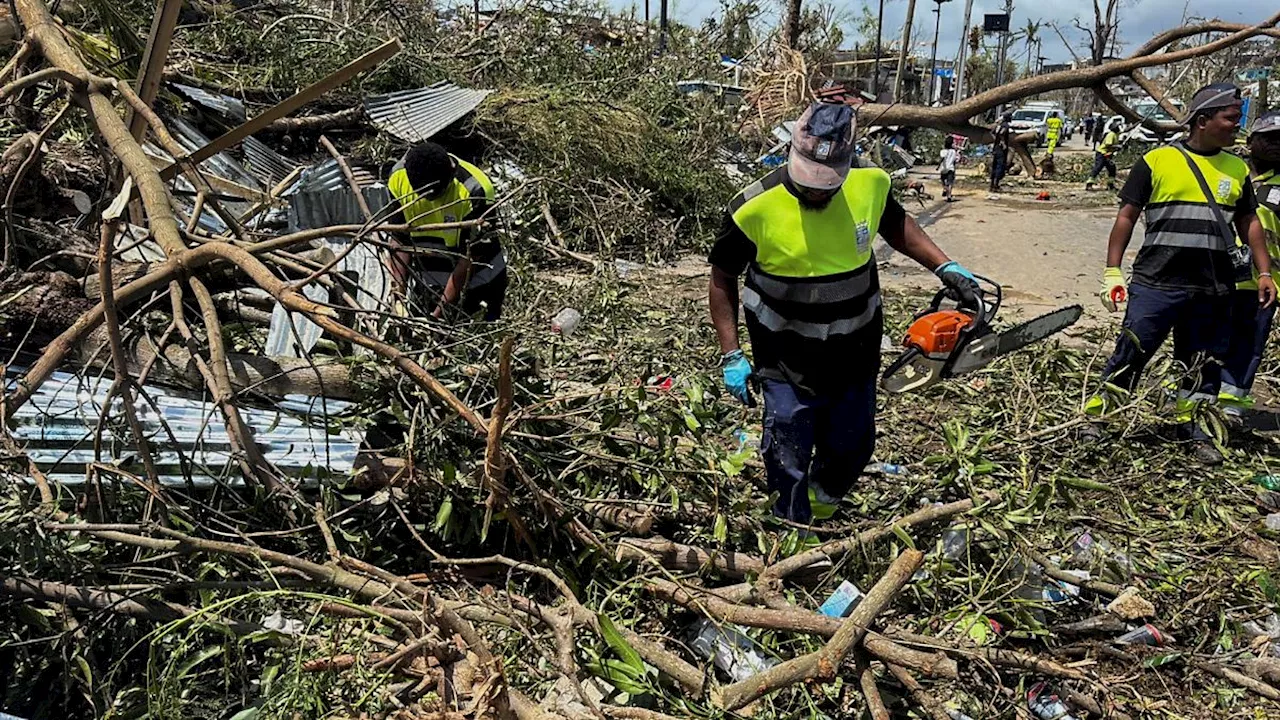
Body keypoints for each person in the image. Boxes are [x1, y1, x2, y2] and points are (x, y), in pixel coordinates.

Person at [708, 102, 982, 525]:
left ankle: (821, 501)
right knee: (787, 451)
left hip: (855, 352)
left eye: (827, 183)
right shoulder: (753, 208)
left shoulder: (870, 185)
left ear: (849, 161)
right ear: (791, 154)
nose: (817, 190)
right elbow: (721, 278)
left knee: (854, 445)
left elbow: (897, 225)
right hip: (785, 359)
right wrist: (731, 354)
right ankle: (792, 529)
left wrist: (944, 266)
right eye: (809, 181)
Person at [1086, 83, 1277, 464]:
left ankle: (1192, 429)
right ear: (1203, 120)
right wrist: (1112, 271)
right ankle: (1098, 419)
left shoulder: (1236, 169)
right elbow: (1127, 217)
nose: (1235, 127)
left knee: (1199, 363)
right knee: (1131, 352)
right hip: (1157, 282)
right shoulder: (1156, 161)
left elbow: (1248, 221)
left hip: (1211, 288)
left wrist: (1264, 272)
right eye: (1230, 119)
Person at [387, 142, 507, 320]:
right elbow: (399, 239)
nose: (430, 200)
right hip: (429, 281)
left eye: (436, 194)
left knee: (474, 337)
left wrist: (438, 314)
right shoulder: (398, 179)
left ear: (451, 173)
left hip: (478, 282)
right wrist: (399, 294)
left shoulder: (475, 190)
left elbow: (470, 259)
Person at [1220, 111, 1280, 414]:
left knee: (1246, 347)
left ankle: (1229, 409)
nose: (1276, 145)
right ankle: (1194, 401)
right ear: (1251, 140)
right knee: (1206, 340)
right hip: (1217, 277)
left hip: (1262, 285)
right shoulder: (1230, 174)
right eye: (1269, 138)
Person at [1085, 120, 1122, 191]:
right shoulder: (1111, 134)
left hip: (1108, 154)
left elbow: (1125, 130)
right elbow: (1108, 144)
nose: (1119, 128)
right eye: (1118, 127)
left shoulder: (1117, 134)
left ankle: (1110, 185)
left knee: (1112, 169)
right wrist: (1117, 146)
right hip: (1102, 153)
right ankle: (1089, 184)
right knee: (1098, 167)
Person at [990, 113, 1012, 192]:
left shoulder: (998, 125)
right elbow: (1002, 133)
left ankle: (992, 185)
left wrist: (996, 140)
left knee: (995, 165)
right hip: (1001, 149)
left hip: (995, 148)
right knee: (1000, 166)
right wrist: (1003, 143)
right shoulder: (1005, 125)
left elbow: (992, 132)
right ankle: (996, 185)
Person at [939, 135, 959, 202]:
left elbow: (941, 158)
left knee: (943, 180)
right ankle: (949, 196)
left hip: (943, 168)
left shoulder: (942, 151)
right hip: (951, 168)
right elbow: (955, 160)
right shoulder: (953, 152)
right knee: (950, 183)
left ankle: (945, 189)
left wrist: (938, 166)